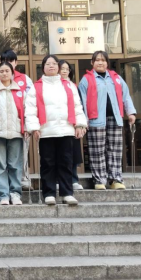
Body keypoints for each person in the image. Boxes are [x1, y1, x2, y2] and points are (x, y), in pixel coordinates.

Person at [25, 54, 87, 206]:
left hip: (66, 130)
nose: (51, 66)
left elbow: (77, 106)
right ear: (43, 68)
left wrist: (80, 124)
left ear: (58, 67)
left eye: (54, 63)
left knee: (66, 162)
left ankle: (67, 193)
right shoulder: (36, 87)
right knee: (48, 163)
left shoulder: (69, 85)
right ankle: (49, 193)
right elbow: (30, 109)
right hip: (46, 131)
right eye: (48, 64)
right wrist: (34, 128)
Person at [78, 51, 137, 190]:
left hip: (115, 118)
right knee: (97, 150)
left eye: (103, 60)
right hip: (95, 120)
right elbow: (82, 101)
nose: (100, 62)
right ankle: (99, 180)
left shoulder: (116, 78)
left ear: (107, 63)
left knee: (115, 150)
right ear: (92, 63)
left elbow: (126, 96)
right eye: (97, 60)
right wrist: (83, 121)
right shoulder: (86, 79)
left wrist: (130, 112)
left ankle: (115, 179)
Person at [0, 49, 34, 190]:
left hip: (18, 127)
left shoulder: (25, 79)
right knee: (0, 162)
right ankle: (4, 190)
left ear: (16, 63)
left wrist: (27, 125)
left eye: (10, 61)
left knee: (19, 158)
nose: (6, 66)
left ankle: (22, 181)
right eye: (4, 62)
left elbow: (29, 104)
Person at [0, 62, 25, 205]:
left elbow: (25, 110)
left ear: (12, 73)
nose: (4, 73)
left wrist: (26, 127)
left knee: (15, 165)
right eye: (1, 71)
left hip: (16, 132)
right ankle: (3, 195)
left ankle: (15, 194)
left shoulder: (20, 91)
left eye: (7, 71)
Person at [59, 60, 84, 191]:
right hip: (57, 125)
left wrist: (80, 124)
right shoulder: (51, 86)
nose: (64, 71)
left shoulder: (73, 86)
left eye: (67, 69)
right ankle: (59, 180)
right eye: (62, 68)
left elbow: (78, 106)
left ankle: (74, 179)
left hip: (72, 124)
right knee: (59, 155)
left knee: (72, 154)